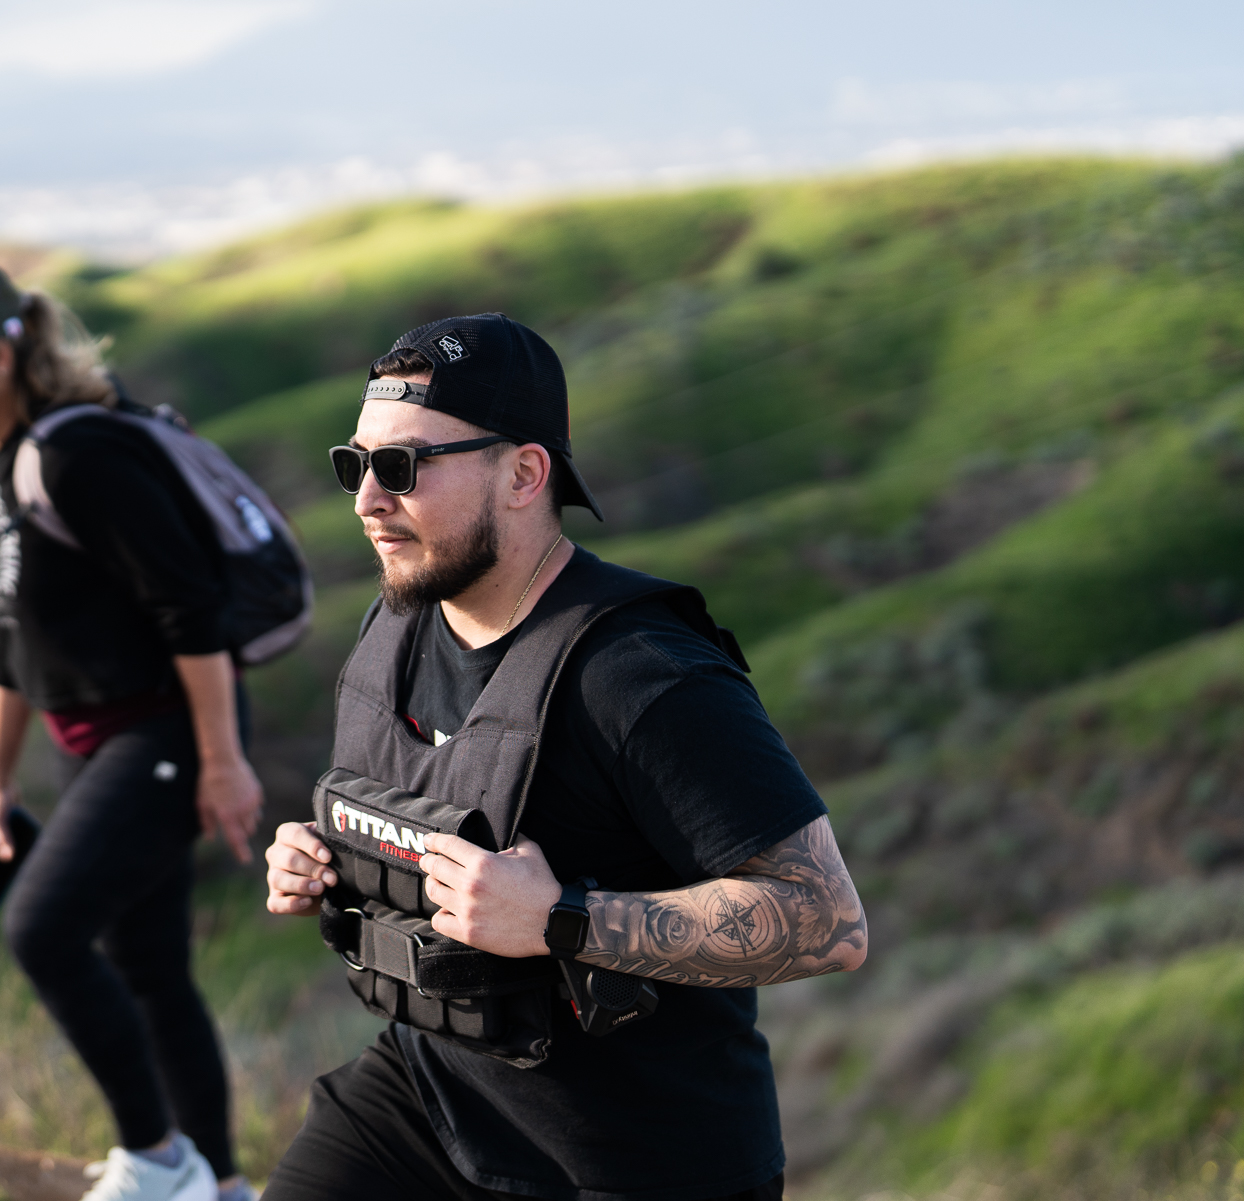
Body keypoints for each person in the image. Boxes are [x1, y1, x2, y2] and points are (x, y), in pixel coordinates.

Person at [261, 313, 869, 1201]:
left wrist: (561, 919)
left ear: (524, 472)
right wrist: (322, 856)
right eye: (354, 465)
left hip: (636, 1162)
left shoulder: (641, 675)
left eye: (402, 468)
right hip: (434, 1095)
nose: (366, 500)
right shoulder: (396, 625)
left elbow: (827, 920)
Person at [0, 255, 263, 1201]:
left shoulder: (84, 455)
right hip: (94, 745)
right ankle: (223, 1184)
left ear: (0, 354)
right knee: (150, 968)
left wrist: (223, 760)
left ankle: (158, 1162)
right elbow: (7, 637)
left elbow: (190, 612)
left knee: (42, 928)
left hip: (166, 734)